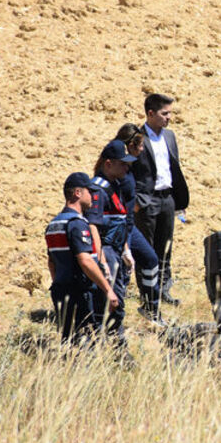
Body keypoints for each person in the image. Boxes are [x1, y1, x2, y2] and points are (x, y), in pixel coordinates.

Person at [45, 172, 119, 345]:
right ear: (78, 193)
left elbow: (51, 262)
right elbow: (85, 260)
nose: (93, 196)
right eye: (89, 191)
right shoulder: (77, 224)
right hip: (79, 292)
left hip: (60, 291)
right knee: (85, 344)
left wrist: (59, 284)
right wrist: (108, 289)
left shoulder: (54, 224)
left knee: (68, 341)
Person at [132, 93, 189, 306]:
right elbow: (129, 170)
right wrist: (135, 201)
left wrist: (178, 202)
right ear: (150, 113)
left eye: (170, 113)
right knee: (146, 249)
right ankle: (147, 294)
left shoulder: (169, 136)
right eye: (164, 114)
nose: (169, 118)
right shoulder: (137, 138)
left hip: (168, 198)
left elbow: (173, 168)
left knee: (165, 247)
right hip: (147, 201)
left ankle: (164, 290)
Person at [87, 140, 137, 344]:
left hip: (117, 248)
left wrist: (126, 250)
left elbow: (121, 220)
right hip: (106, 250)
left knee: (119, 295)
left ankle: (115, 337)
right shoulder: (98, 190)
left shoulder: (115, 186)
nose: (127, 167)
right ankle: (112, 341)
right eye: (122, 163)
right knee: (110, 298)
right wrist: (102, 261)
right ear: (108, 164)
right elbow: (93, 227)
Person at [115, 123, 163, 324]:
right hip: (115, 226)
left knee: (150, 259)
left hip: (129, 223)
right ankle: (115, 320)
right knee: (121, 272)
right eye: (140, 145)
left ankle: (151, 308)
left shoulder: (129, 165)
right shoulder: (115, 167)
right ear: (130, 146)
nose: (143, 149)